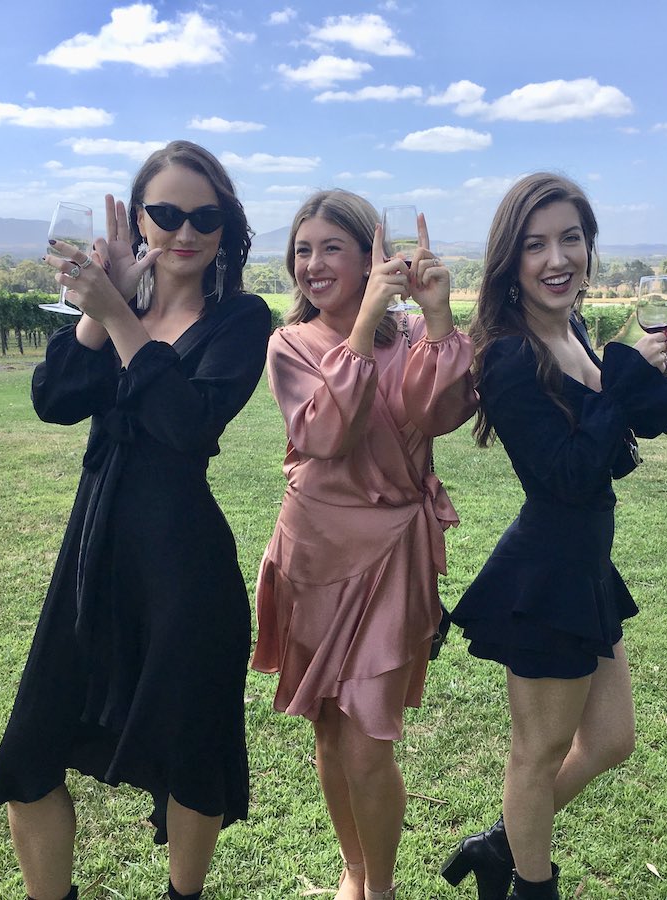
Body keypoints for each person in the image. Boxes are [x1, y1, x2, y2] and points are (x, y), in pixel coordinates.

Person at [0, 140, 272, 900]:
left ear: (227, 226)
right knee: (29, 759)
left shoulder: (240, 319)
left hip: (183, 568)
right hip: (92, 557)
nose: (185, 231)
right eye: (167, 213)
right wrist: (101, 311)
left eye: (205, 215)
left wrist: (114, 311)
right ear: (139, 219)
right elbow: (54, 400)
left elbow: (187, 427)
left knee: (191, 759)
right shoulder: (122, 311)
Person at [442, 174, 667, 900]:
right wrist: (621, 381)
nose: (557, 259)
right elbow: (568, 475)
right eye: (535, 245)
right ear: (510, 261)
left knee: (610, 740)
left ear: (589, 246)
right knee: (538, 751)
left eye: (570, 239)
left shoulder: (572, 331)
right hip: (546, 575)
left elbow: (627, 437)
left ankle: (500, 846)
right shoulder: (509, 355)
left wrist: (659, 371)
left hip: (584, 567)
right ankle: (530, 882)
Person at [251, 190, 478, 900]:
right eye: (302, 250)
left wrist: (436, 316)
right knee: (327, 730)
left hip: (390, 563)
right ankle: (354, 869)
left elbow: (438, 413)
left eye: (331, 248)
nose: (313, 264)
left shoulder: (411, 335)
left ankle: (378, 888)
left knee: (369, 743)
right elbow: (325, 432)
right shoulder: (290, 343)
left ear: (370, 256)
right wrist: (363, 326)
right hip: (314, 554)